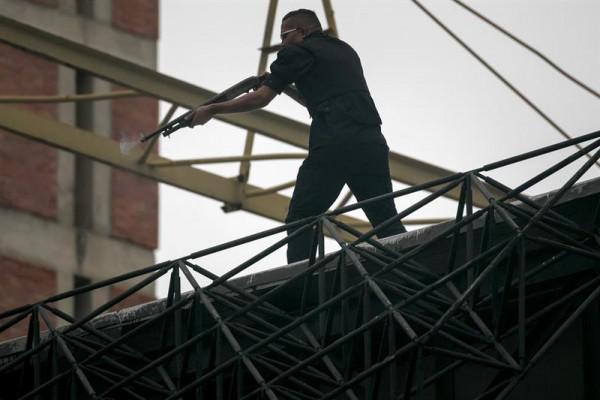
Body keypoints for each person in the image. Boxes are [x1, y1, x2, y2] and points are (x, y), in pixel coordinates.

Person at [189, 9, 406, 263]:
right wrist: (284, 86)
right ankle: (415, 266)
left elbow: (260, 99)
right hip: (370, 141)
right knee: (385, 219)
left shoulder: (296, 52)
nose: (282, 43)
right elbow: (318, 96)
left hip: (333, 143)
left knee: (301, 218)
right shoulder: (345, 50)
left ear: (301, 32)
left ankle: (301, 283)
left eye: (285, 35)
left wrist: (213, 109)